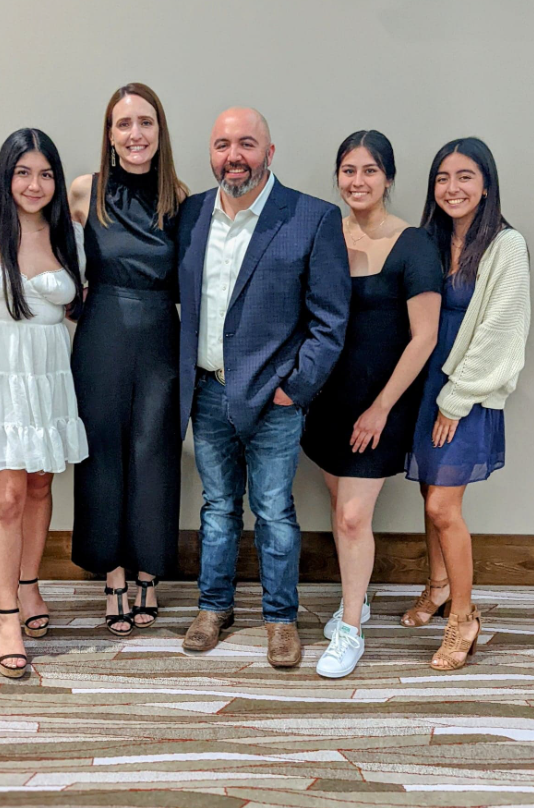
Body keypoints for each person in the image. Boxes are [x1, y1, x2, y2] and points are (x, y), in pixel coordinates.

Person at [178, 107, 352, 668]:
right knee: (218, 507)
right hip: (207, 392)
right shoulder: (191, 214)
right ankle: (214, 607)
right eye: (223, 144)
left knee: (275, 510)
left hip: (275, 398)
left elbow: (330, 321)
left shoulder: (311, 217)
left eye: (247, 143)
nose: (235, 155)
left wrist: (294, 389)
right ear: (211, 154)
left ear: (270, 153)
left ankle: (281, 619)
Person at [302, 131, 442, 678]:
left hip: (381, 405)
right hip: (329, 401)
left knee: (355, 516)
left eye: (368, 171)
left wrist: (382, 407)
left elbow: (424, 337)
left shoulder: (414, 244)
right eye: (347, 170)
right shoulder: (325, 235)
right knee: (342, 514)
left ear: (388, 178)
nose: (356, 181)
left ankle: (353, 632)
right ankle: (350, 604)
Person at [0, 128, 86, 678]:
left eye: (46, 173)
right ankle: (6, 614)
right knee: (3, 497)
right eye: (24, 172)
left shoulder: (70, 233)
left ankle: (30, 583)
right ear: (6, 176)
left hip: (47, 373)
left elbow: (83, 305)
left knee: (37, 485)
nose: (35, 184)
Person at [403, 137, 530, 670]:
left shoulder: (506, 246)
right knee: (429, 490)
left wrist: (455, 400)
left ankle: (464, 618)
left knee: (442, 507)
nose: (452, 188)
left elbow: (501, 332)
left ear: (486, 185)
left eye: (465, 177)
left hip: (467, 390)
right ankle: (436, 587)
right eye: (442, 178)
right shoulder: (429, 240)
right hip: (426, 380)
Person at [69, 83, 187, 637]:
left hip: (163, 334)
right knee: (102, 455)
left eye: (145, 123)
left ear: (159, 132)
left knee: (155, 454)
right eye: (123, 124)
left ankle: (148, 573)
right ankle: (112, 574)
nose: (135, 134)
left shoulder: (180, 198)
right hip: (102, 334)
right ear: (109, 135)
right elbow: (33, 239)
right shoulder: (82, 191)